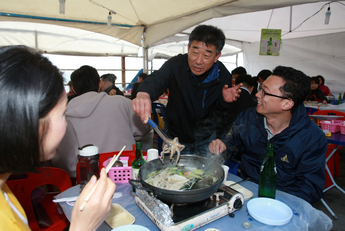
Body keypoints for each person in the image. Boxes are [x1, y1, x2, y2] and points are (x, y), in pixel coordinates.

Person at [0, 45, 116, 230]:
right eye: (63, 113)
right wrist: (81, 227)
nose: (66, 124)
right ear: (26, 121)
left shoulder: (2, 188)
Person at [209, 66, 328, 204]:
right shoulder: (248, 117)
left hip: (283, 202)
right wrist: (223, 145)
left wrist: (272, 203)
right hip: (246, 191)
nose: (257, 95)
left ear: (286, 104)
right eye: (260, 88)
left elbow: (311, 188)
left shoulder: (311, 137)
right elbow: (231, 143)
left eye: (265, 92)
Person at [132, 25, 242, 155]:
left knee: (205, 173)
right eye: (195, 53)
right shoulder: (177, 65)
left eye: (206, 56)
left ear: (217, 56)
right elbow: (158, 78)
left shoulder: (222, 75)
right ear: (189, 48)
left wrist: (224, 101)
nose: (198, 61)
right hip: (176, 137)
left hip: (206, 139)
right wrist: (144, 93)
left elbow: (222, 114)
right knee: (172, 173)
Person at [52, 65, 152, 178]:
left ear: (73, 88)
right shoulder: (121, 102)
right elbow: (145, 127)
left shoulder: (65, 115)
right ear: (99, 83)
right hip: (126, 171)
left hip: (90, 177)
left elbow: (66, 163)